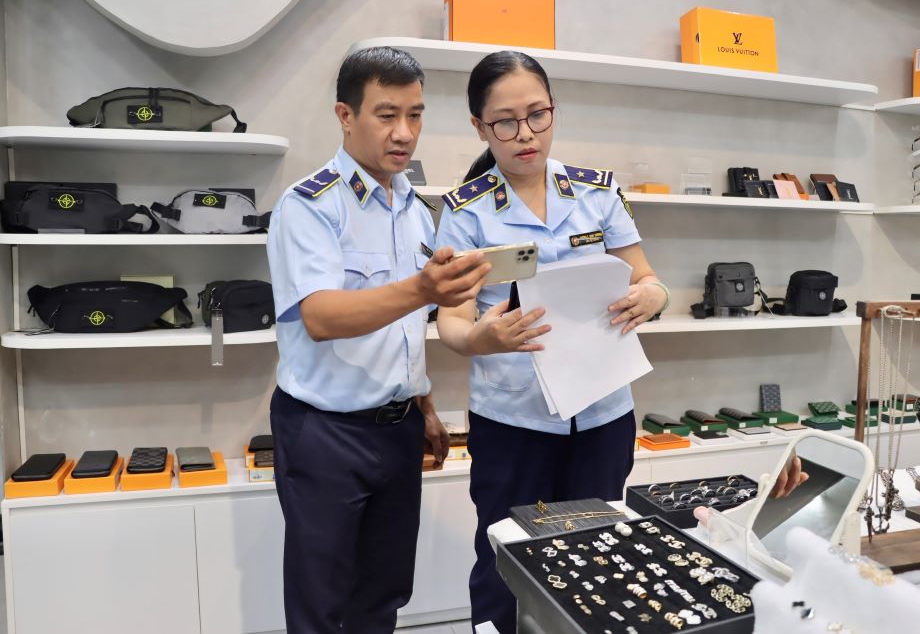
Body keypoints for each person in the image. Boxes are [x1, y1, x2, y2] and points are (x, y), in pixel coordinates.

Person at [433, 50, 671, 633]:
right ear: (479, 127)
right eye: (506, 122)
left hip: (602, 413)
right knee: (506, 561)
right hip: (513, 421)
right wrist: (482, 338)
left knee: (597, 555)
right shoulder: (465, 213)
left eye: (538, 115)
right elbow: (452, 323)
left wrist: (653, 297)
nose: (525, 134)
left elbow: (648, 277)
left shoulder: (596, 191)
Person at [266, 46, 490, 634]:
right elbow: (321, 316)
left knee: (384, 592)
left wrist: (424, 403)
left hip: (398, 431)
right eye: (386, 114)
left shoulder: (413, 209)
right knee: (323, 602)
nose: (404, 133)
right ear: (345, 115)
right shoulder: (309, 206)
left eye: (415, 115)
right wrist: (424, 288)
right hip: (325, 434)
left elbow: (399, 327)